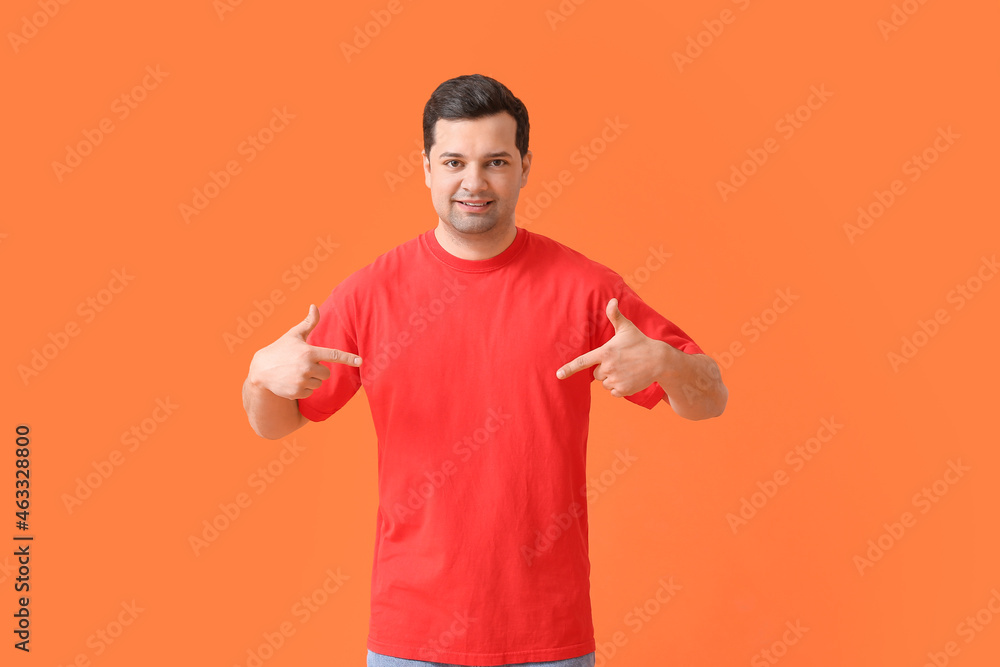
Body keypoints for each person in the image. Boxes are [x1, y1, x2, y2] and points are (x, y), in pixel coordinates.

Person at [242, 73, 727, 667]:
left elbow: (710, 397)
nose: (474, 182)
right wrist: (260, 377)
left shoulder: (587, 290)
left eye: (496, 161)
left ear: (524, 165)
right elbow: (275, 423)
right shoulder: (370, 295)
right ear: (425, 168)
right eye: (453, 162)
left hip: (548, 632)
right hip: (411, 635)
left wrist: (667, 363)